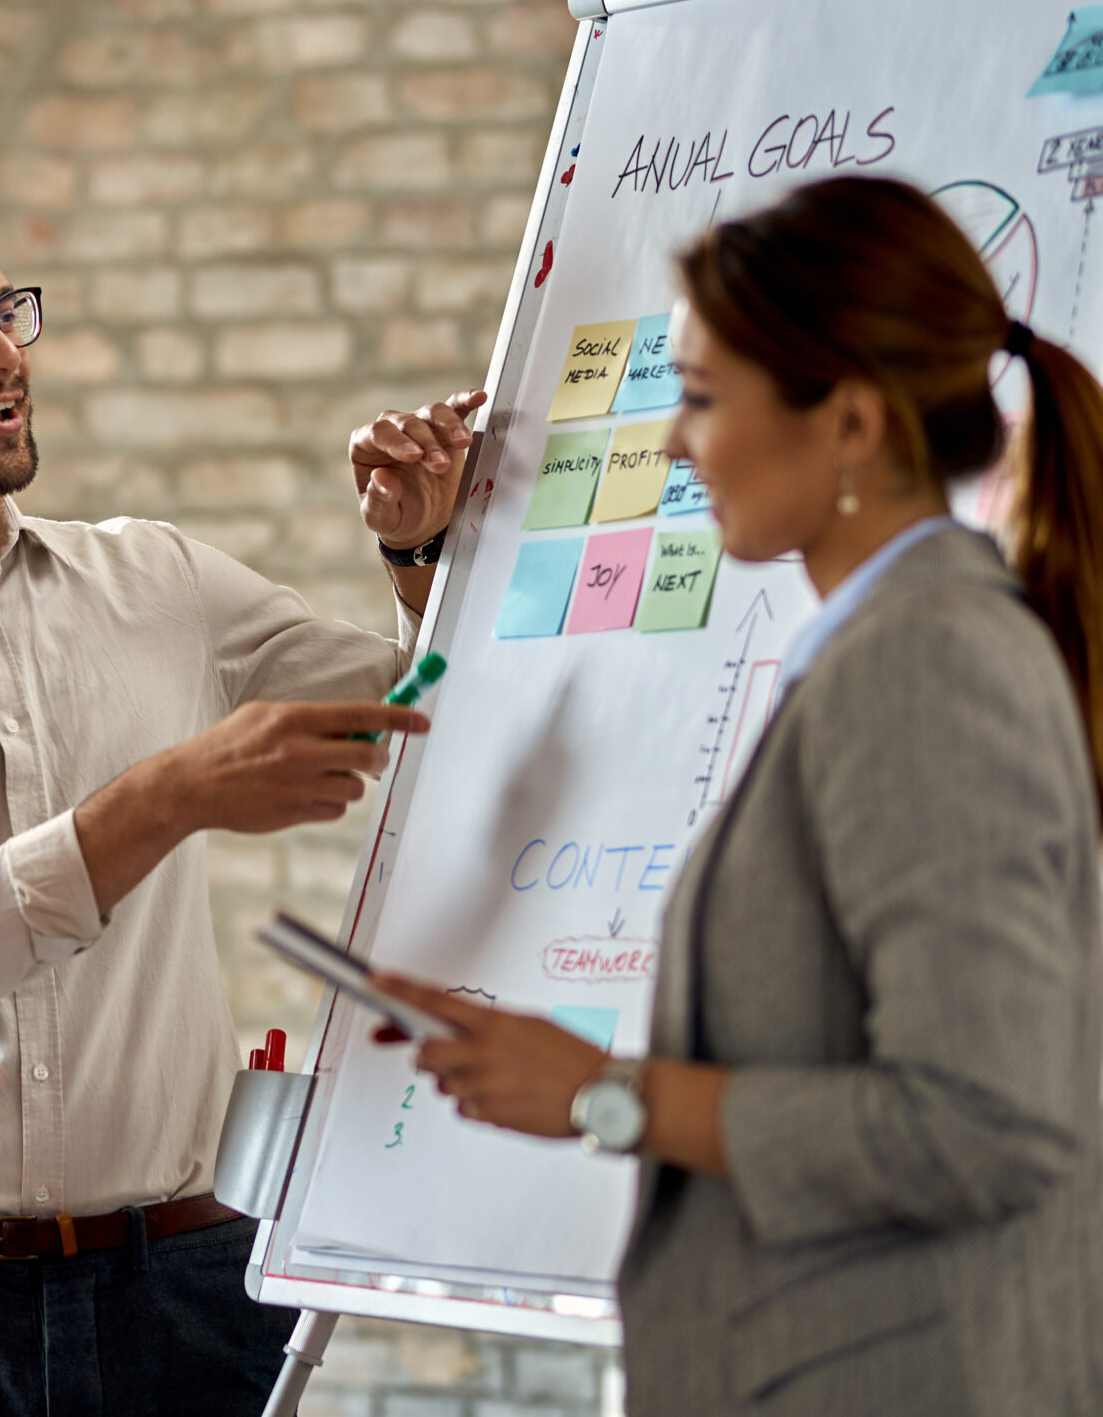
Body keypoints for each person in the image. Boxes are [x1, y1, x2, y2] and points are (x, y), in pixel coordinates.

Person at [0, 161, 478, 1415]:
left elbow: (424, 709)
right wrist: (162, 797)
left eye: (3, 312)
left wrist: (416, 554)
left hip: (190, 1282)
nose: (1, 358)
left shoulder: (160, 582)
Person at [383, 176, 1103, 1415]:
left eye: (704, 401)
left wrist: (608, 1094)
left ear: (854, 425)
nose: (670, 443)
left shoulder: (929, 665)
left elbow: (980, 1124)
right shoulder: (888, 648)